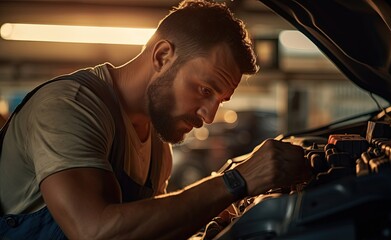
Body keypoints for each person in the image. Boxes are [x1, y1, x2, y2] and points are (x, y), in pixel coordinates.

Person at [0, 0, 312, 239]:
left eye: (219, 101)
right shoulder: (72, 106)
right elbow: (92, 231)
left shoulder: (158, 150)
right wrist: (235, 181)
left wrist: (211, 223)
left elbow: (143, 231)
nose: (208, 116)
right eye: (204, 89)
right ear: (163, 57)